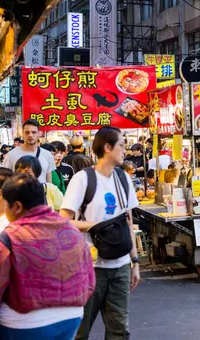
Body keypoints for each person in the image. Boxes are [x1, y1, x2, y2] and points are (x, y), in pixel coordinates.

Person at [0, 173, 95, 339]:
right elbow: (89, 281)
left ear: (16, 207)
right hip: (72, 318)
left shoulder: (9, 237)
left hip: (23, 325)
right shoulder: (70, 231)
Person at [60, 126, 141, 340]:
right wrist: (94, 225)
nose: (125, 150)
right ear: (107, 147)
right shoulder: (83, 179)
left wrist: (135, 262)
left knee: (119, 329)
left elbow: (128, 222)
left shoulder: (124, 179)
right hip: (89, 267)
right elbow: (63, 221)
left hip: (121, 266)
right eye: (121, 145)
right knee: (79, 329)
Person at [3, 119, 56, 184]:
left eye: (34, 132)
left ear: (39, 133)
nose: (30, 135)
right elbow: (6, 181)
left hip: (41, 193)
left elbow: (48, 182)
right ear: (23, 133)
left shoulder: (47, 155)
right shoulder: (11, 155)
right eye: (27, 132)